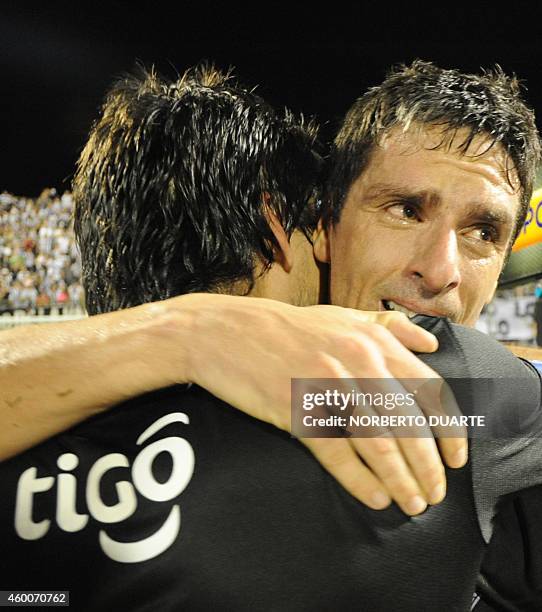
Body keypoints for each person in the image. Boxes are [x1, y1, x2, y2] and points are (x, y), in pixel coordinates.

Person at [1, 62, 542, 611]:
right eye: (403, 210)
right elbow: (504, 404)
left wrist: (175, 330)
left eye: (482, 233)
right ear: (283, 231)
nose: (440, 269)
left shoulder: (32, 445)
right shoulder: (383, 395)